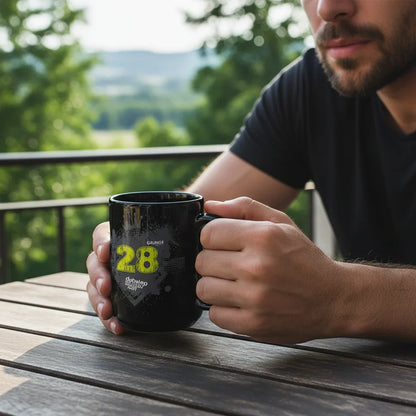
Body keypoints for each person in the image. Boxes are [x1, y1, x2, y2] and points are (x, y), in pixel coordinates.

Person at [86, 0, 416, 344]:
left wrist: (341, 297)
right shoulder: (309, 89)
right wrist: (123, 256)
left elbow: (337, 298)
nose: (327, 8)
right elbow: (184, 226)